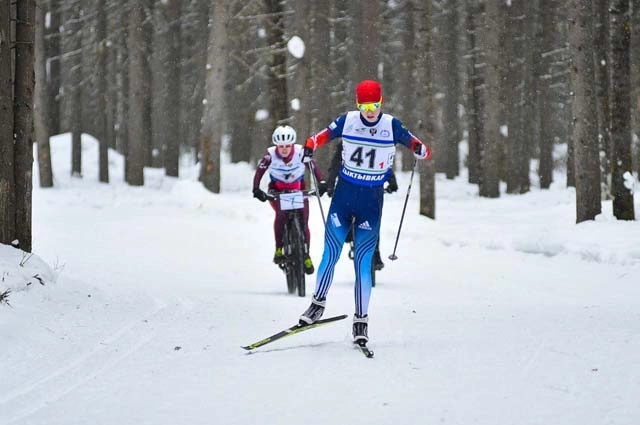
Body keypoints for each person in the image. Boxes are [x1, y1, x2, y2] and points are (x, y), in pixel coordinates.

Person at [298, 80, 431, 343]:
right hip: (344, 196)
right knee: (331, 252)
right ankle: (317, 304)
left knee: (363, 262)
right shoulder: (347, 120)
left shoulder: (391, 125)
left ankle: (361, 319)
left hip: (371, 201)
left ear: (381, 103)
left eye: (374, 105)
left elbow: (416, 144)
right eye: (364, 106)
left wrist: (420, 149)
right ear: (357, 104)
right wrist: (310, 145)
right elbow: (321, 136)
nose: (369, 111)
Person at [252, 125, 326, 275]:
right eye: (281, 146)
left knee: (304, 221)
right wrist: (256, 189)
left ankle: (305, 254)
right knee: (280, 215)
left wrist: (322, 183)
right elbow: (259, 172)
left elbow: (314, 167)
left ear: (292, 145)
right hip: (277, 191)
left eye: (287, 146)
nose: (284, 149)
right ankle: (279, 249)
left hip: (298, 189)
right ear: (276, 146)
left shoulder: (301, 153)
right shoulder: (270, 155)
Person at [325, 142, 398, 271]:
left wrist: (391, 181)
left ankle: (375, 252)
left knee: (372, 220)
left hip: (370, 188)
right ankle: (349, 235)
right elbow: (335, 165)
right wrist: (330, 184)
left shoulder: (375, 143)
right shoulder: (346, 143)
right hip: (350, 187)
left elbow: (382, 164)